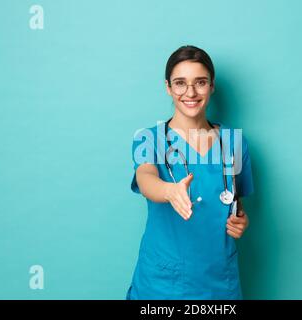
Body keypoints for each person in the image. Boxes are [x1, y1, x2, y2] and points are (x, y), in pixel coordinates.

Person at [126, 45, 254, 299]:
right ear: (168, 88)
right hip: (163, 282)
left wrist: (241, 221)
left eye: (200, 82)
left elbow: (234, 201)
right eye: (180, 83)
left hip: (219, 280)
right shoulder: (149, 139)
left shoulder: (233, 141)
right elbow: (146, 178)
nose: (191, 92)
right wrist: (170, 191)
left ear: (212, 86)